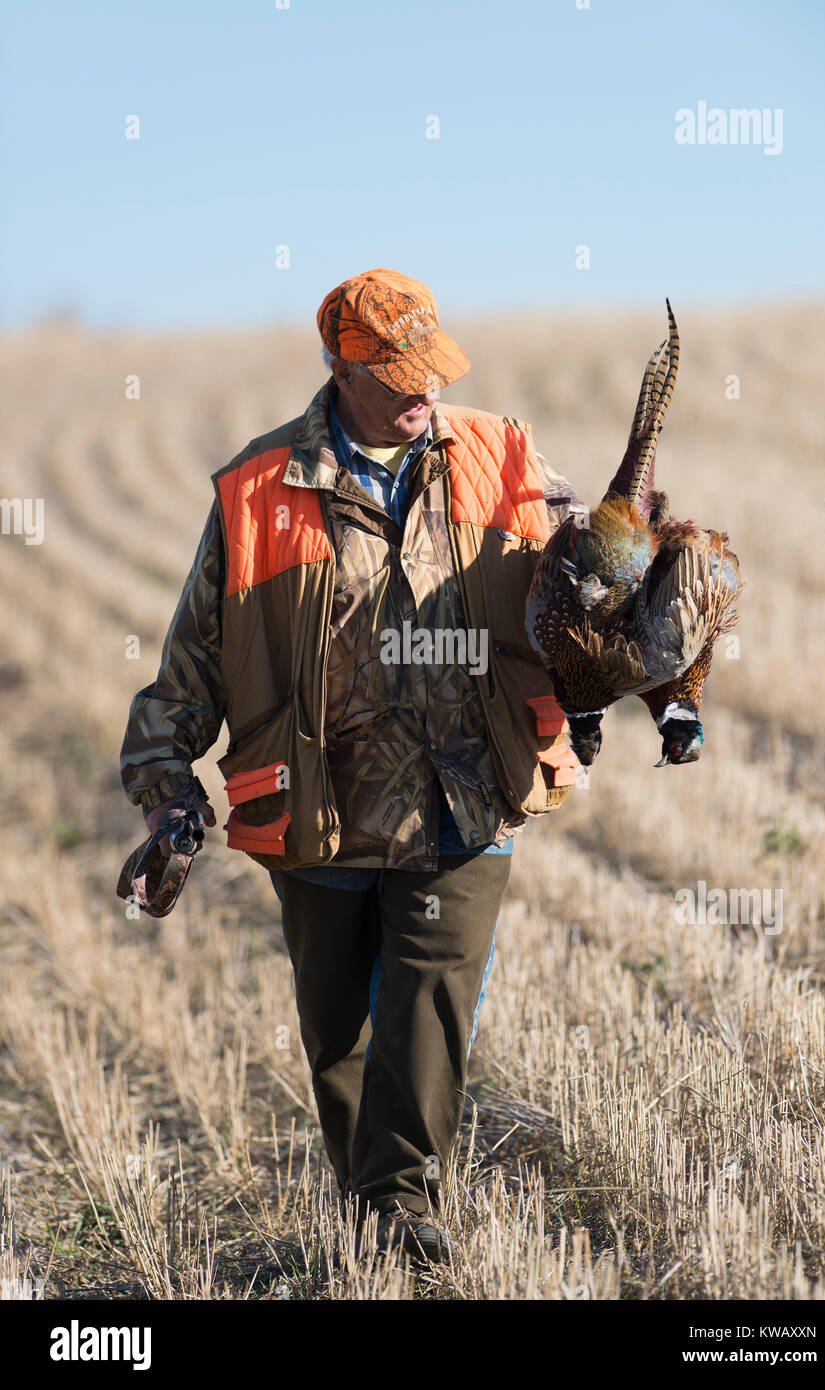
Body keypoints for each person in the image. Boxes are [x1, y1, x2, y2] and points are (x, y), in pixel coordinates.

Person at [120, 267, 586, 1263]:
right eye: (402, 374)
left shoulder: (498, 455)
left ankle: (401, 1207)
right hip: (317, 815)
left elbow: (572, 605)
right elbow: (193, 662)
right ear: (342, 366)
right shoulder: (259, 488)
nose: (426, 392)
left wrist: (618, 607)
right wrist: (166, 791)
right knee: (340, 1044)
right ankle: (376, 1223)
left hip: (463, 798)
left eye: (435, 370)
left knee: (428, 1006)